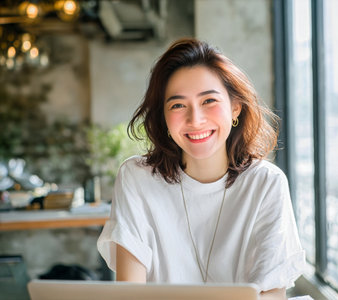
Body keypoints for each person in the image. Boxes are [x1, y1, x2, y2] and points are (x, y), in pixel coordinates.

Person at [97, 38, 305, 299]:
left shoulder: (266, 183)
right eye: (178, 105)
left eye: (209, 101)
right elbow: (129, 292)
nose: (195, 119)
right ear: (163, 117)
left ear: (235, 108)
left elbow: (272, 293)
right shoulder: (136, 178)